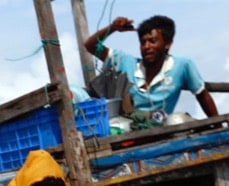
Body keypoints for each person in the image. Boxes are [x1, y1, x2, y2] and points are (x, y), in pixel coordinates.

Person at [84, 15, 219, 117]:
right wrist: (112, 28)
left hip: (162, 128)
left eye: (152, 41)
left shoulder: (182, 65)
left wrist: (219, 129)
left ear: (167, 44)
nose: (146, 47)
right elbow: (90, 46)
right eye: (143, 42)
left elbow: (202, 95)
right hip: (130, 131)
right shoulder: (126, 62)